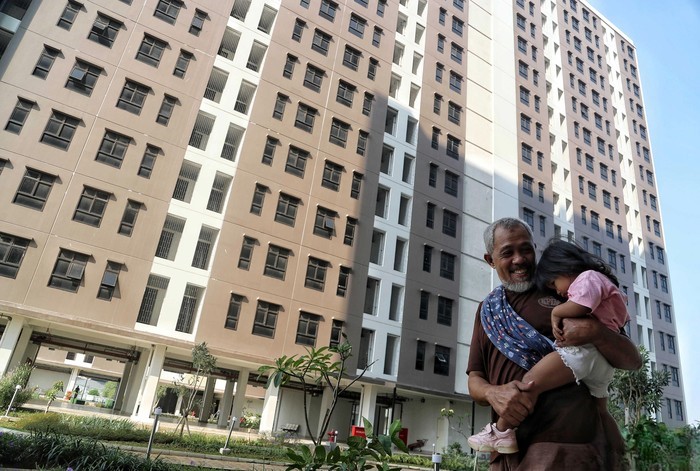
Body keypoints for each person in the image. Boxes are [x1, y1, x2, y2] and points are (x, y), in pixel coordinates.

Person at [467, 218, 642, 470]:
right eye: (507, 253)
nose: (519, 259)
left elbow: (633, 360)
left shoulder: (567, 290)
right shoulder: (488, 311)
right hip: (507, 452)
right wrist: (492, 393)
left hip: (566, 446)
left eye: (526, 249)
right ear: (490, 260)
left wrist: (595, 332)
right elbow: (475, 378)